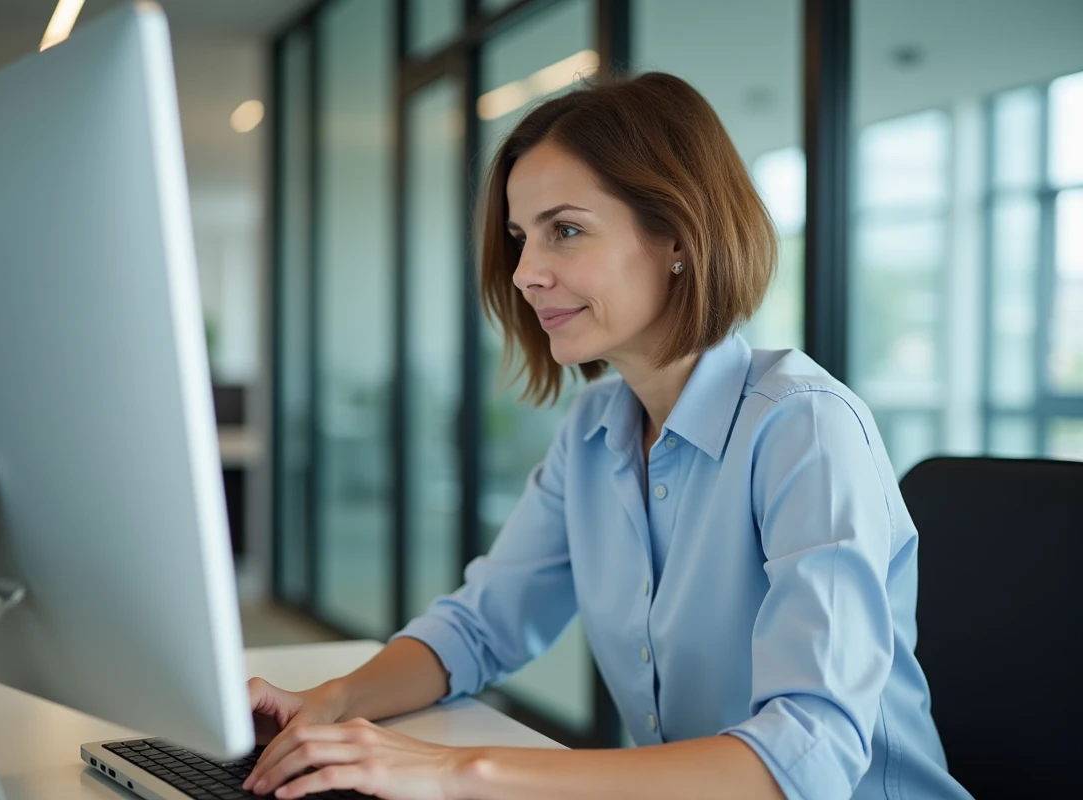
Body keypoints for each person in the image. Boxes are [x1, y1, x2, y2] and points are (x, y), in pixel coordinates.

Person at [241, 72, 971, 800]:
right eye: (521, 239)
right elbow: (481, 626)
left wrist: (454, 770)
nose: (525, 274)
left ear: (678, 236)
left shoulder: (804, 427)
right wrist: (326, 705)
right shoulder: (593, 429)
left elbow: (807, 755)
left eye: (565, 231)